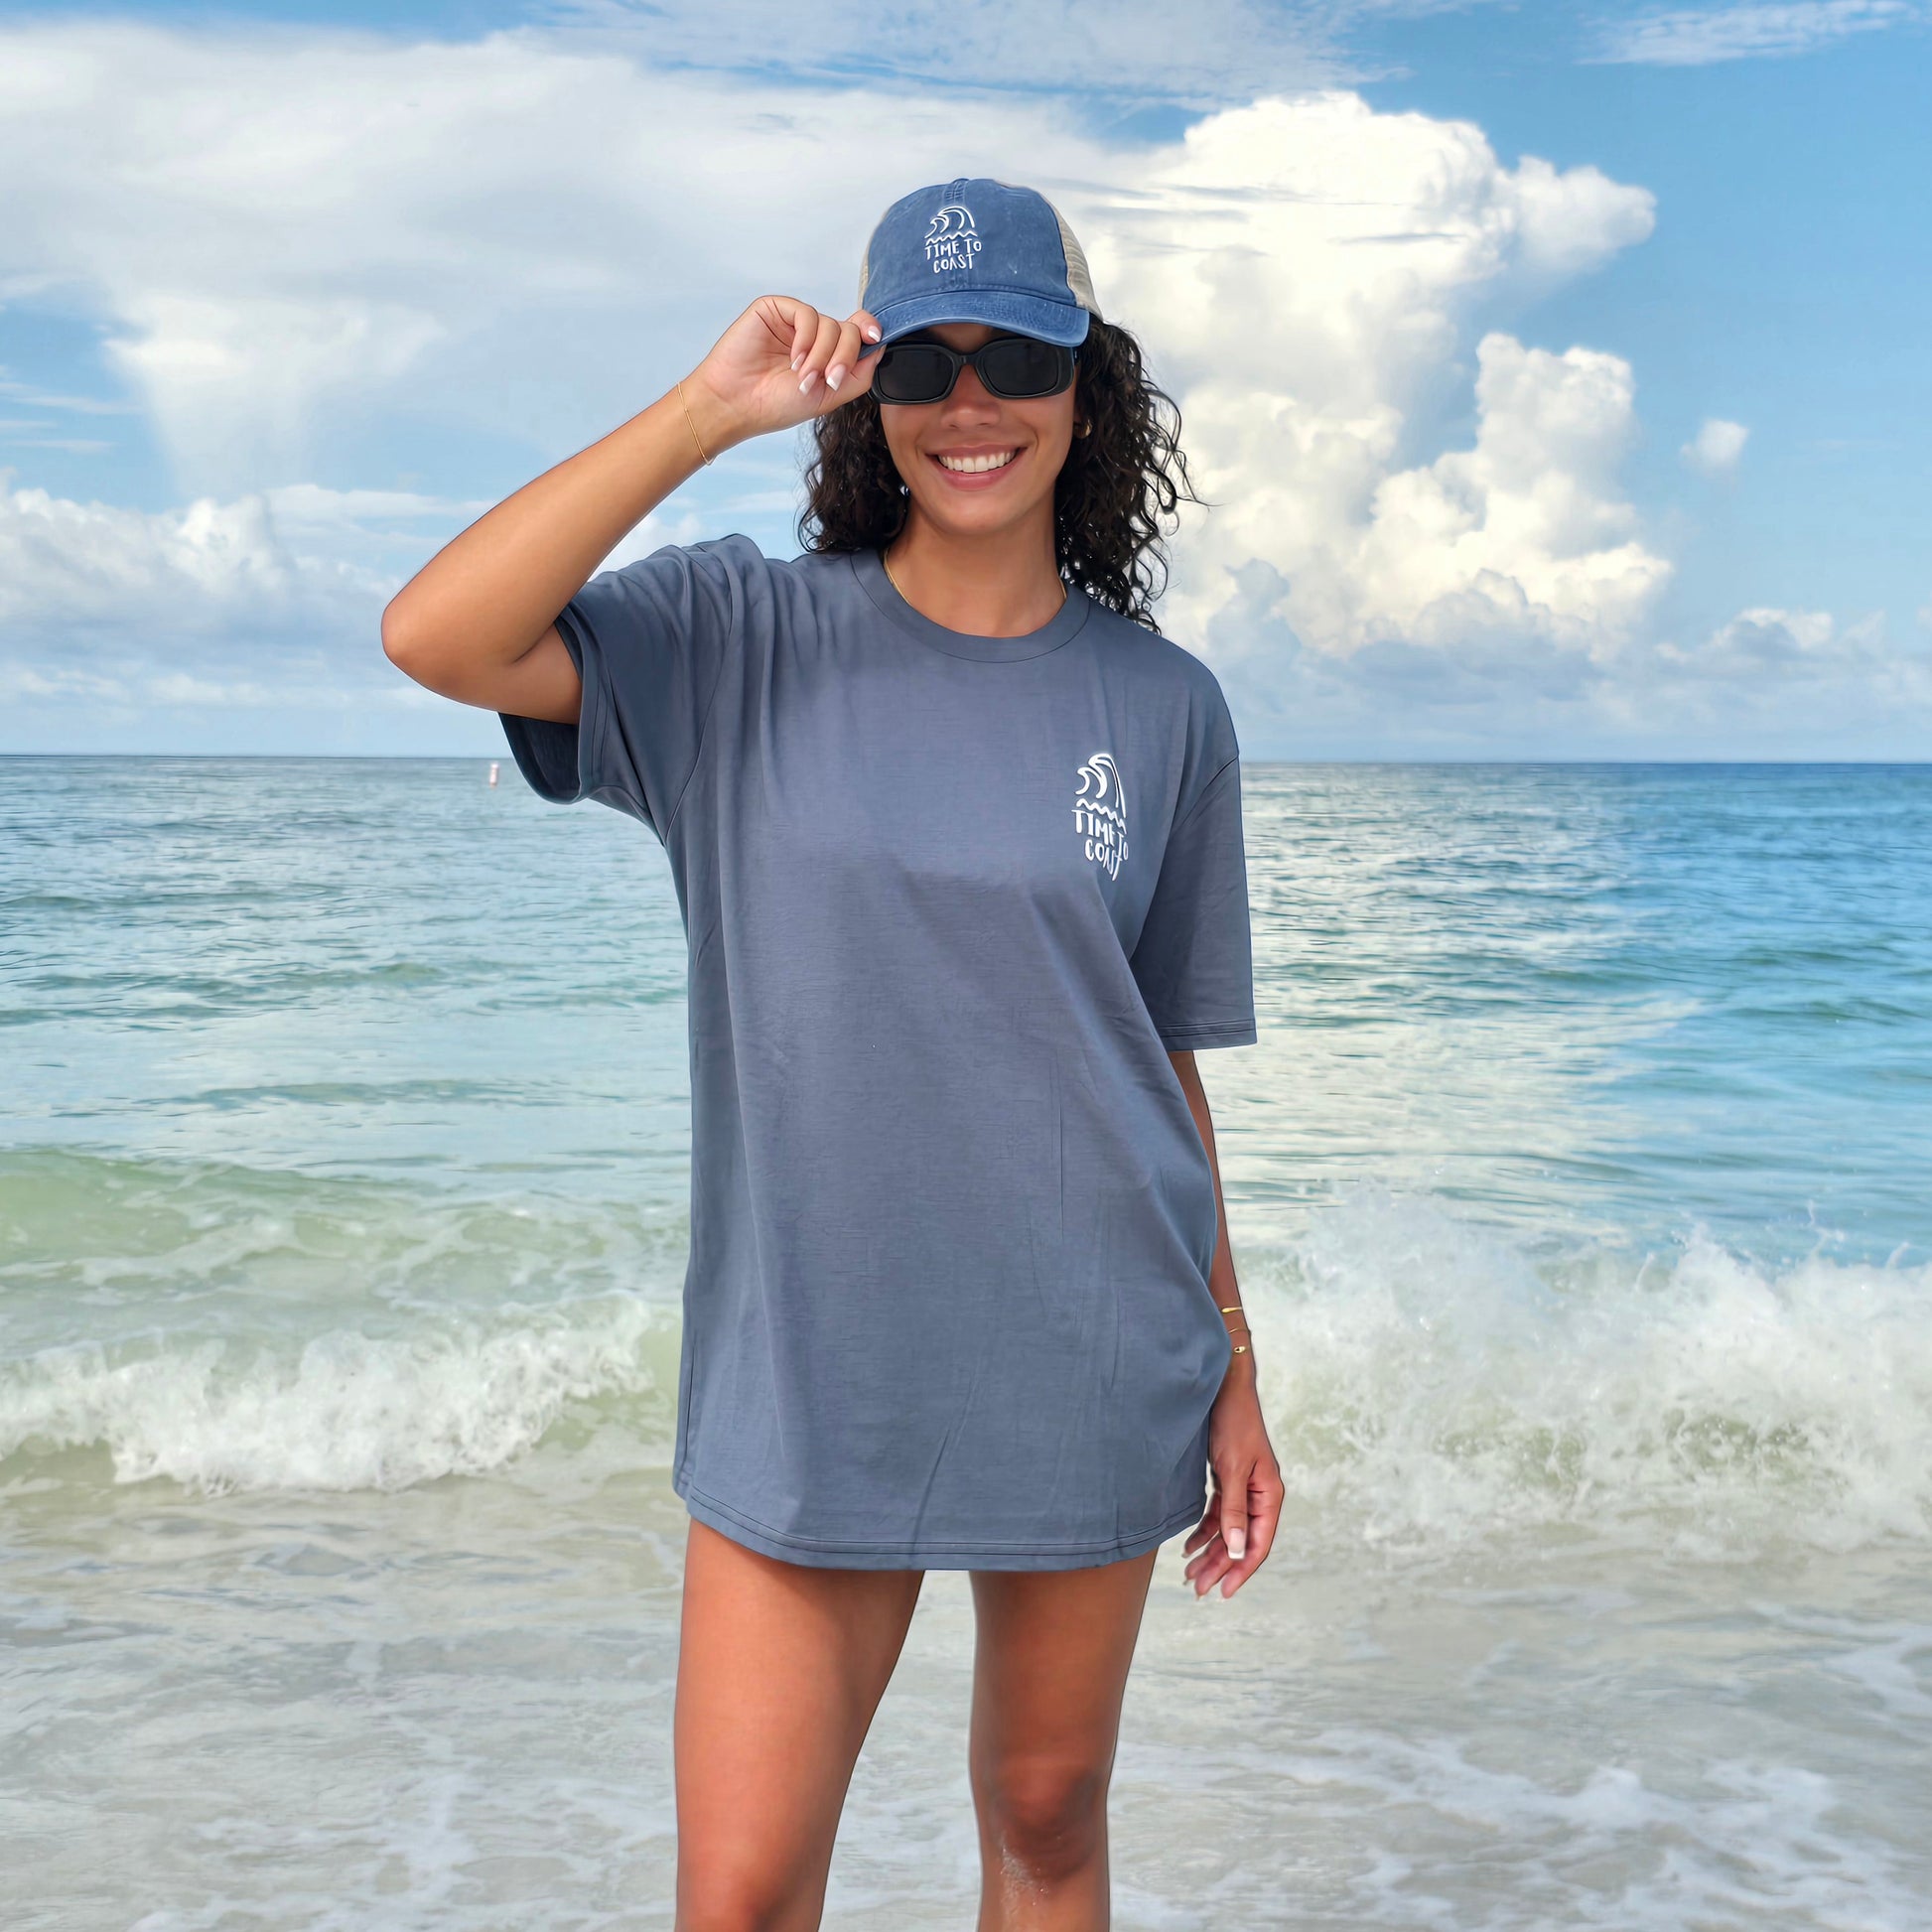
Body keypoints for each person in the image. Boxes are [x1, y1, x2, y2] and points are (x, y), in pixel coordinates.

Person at [382, 176, 1285, 1930]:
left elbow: (1160, 1058)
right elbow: (442, 634)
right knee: (737, 1893)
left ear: (1083, 388)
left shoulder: (1166, 708)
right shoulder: (735, 636)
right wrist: (708, 411)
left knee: (1043, 1821)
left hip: (1096, 1340)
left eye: (1015, 355)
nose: (969, 403)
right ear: (864, 391)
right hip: (812, 1358)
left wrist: (1234, 1353)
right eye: (922, 360)